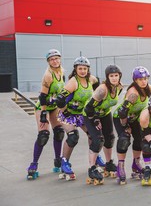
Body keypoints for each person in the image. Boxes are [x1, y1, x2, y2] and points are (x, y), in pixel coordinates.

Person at [56, 56, 98, 181]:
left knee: (93, 134)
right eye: (80, 68)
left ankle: (95, 157)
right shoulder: (73, 82)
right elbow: (59, 99)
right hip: (67, 113)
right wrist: (66, 112)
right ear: (75, 69)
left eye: (85, 68)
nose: (83, 71)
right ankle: (64, 162)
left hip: (82, 113)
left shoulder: (92, 79)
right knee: (73, 136)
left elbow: (101, 89)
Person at [27, 49, 65, 180]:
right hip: (42, 106)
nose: (55, 61)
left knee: (59, 132)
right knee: (43, 135)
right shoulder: (48, 75)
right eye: (52, 59)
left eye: (56, 58)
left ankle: (58, 160)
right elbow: (43, 97)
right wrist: (43, 113)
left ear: (60, 59)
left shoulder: (62, 72)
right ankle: (33, 164)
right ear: (48, 62)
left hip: (54, 107)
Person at [113, 66, 151, 185]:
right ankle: (120, 167)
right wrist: (125, 126)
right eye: (140, 79)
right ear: (135, 80)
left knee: (140, 139)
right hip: (121, 118)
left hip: (135, 117)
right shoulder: (133, 93)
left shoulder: (149, 88)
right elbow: (122, 112)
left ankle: (136, 163)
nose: (143, 81)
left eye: (145, 78)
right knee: (124, 139)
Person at [83, 65, 123, 183]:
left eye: (116, 75)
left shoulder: (119, 87)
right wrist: (95, 119)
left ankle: (109, 163)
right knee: (98, 140)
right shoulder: (102, 89)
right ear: (107, 77)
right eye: (111, 76)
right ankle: (92, 168)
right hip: (90, 114)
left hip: (105, 113)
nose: (114, 78)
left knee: (110, 138)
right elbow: (89, 108)